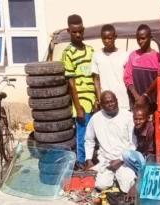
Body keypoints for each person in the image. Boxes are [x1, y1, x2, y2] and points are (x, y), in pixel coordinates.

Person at [61, 14, 98, 170]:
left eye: (80, 31)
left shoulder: (90, 50)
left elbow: (95, 77)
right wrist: (78, 106)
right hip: (80, 101)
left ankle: (92, 160)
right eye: (74, 31)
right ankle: (82, 161)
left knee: (95, 133)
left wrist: (97, 99)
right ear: (69, 31)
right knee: (82, 134)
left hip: (93, 99)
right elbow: (71, 83)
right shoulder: (68, 53)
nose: (77, 34)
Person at [85, 91, 137, 193]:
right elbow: (89, 140)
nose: (110, 104)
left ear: (117, 101)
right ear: (101, 105)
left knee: (127, 186)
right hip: (106, 161)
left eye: (112, 101)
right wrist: (88, 159)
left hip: (123, 161)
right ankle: (113, 179)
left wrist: (121, 160)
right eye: (107, 102)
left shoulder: (128, 117)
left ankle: (119, 179)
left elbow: (133, 143)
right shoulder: (95, 118)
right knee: (101, 185)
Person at [123, 24, 160, 113]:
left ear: (150, 38)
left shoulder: (158, 58)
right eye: (138, 39)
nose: (140, 41)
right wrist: (137, 97)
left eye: (143, 38)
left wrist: (145, 97)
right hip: (136, 105)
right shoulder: (133, 55)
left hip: (152, 106)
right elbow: (128, 78)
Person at [92, 24, 130, 111]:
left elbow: (129, 78)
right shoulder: (96, 56)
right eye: (104, 38)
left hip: (122, 101)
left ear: (115, 37)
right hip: (106, 103)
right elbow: (97, 80)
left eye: (109, 38)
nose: (107, 41)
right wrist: (99, 100)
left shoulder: (124, 55)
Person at [122, 103, 156, 200]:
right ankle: (143, 177)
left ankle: (142, 179)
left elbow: (151, 158)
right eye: (135, 119)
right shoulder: (135, 128)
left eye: (141, 119)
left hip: (150, 160)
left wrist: (134, 187)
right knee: (125, 154)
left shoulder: (151, 130)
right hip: (142, 159)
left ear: (146, 118)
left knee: (145, 163)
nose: (137, 122)